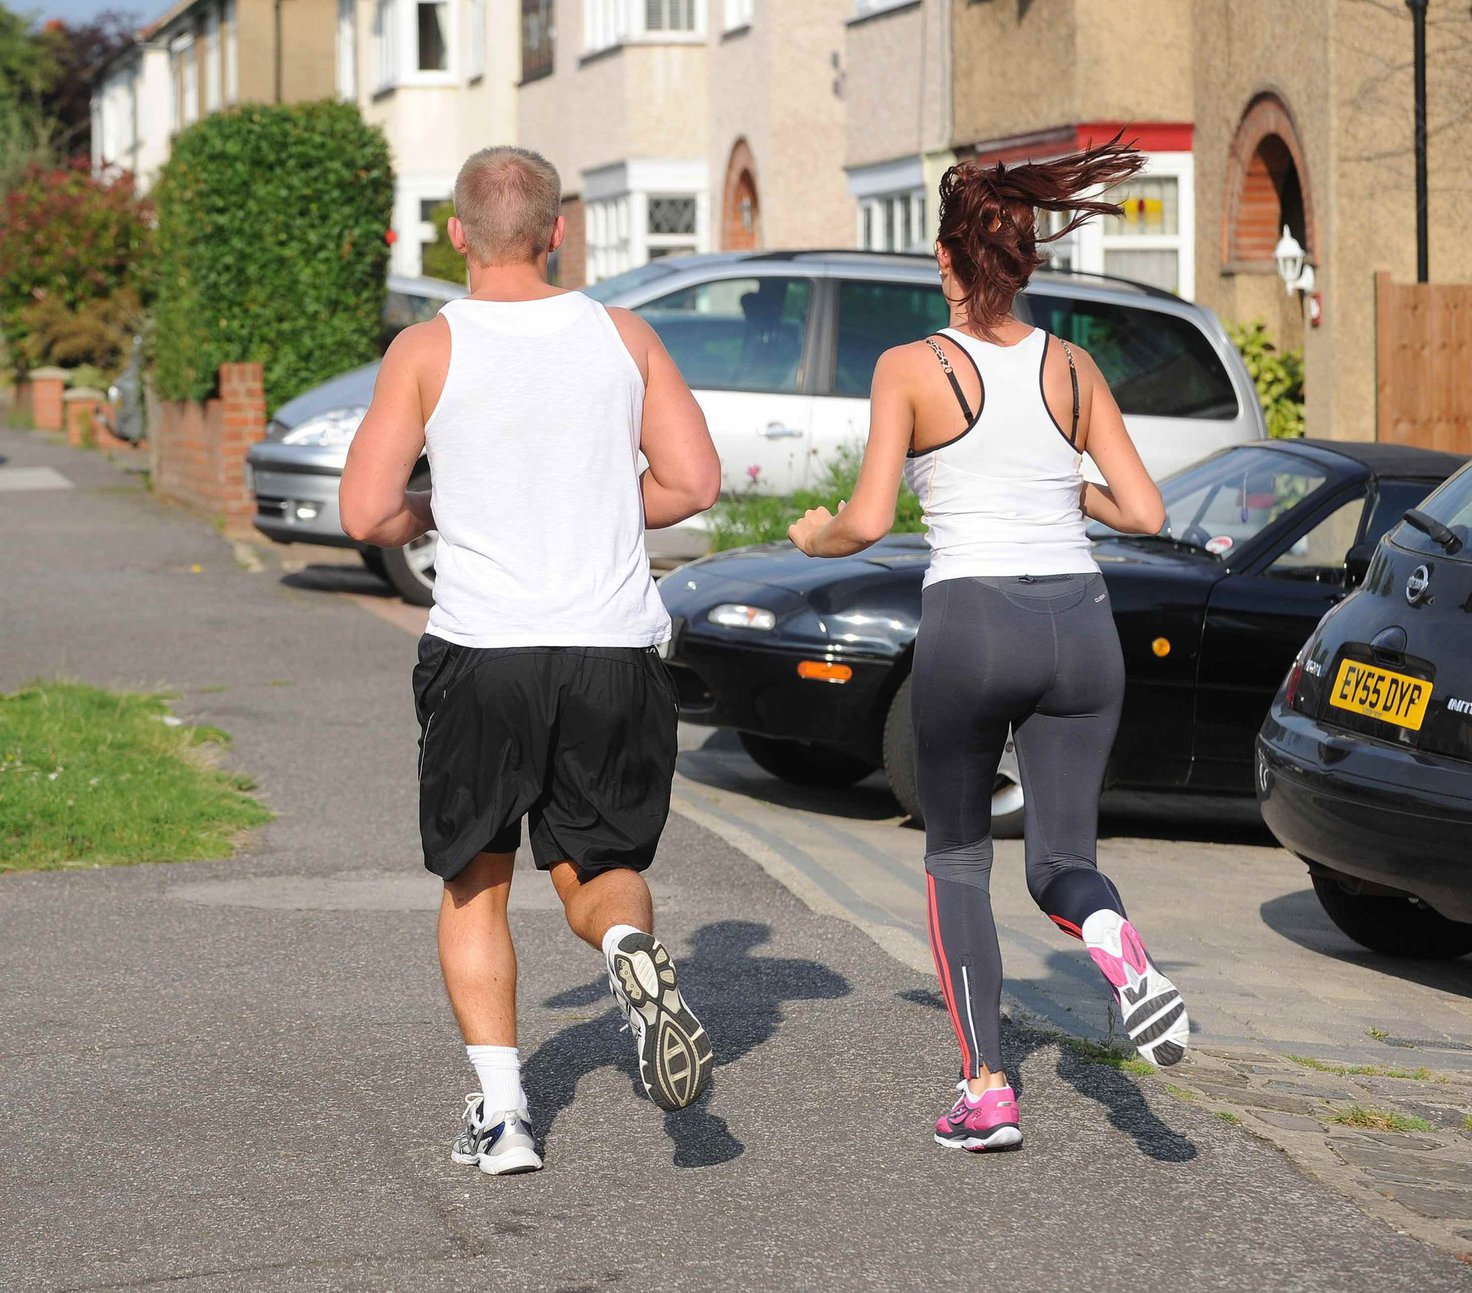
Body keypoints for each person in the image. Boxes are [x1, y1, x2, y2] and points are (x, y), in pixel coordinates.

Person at [787, 137, 1190, 1154]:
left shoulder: (908, 367)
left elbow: (867, 519)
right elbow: (1144, 512)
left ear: (945, 259)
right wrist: (1068, 489)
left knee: (958, 858)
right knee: (1060, 862)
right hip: (1080, 626)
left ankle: (987, 1089)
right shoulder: (1075, 367)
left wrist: (814, 535)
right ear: (1024, 260)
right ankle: (1112, 938)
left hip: (972, 624)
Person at [339, 146, 721, 1176]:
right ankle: (626, 950)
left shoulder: (427, 347)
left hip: (485, 652)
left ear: (456, 235)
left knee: (477, 879)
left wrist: (437, 508)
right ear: (556, 233)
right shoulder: (623, 335)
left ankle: (505, 1116)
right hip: (612, 649)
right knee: (602, 867)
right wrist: (596, 503)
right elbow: (693, 482)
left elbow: (365, 512)